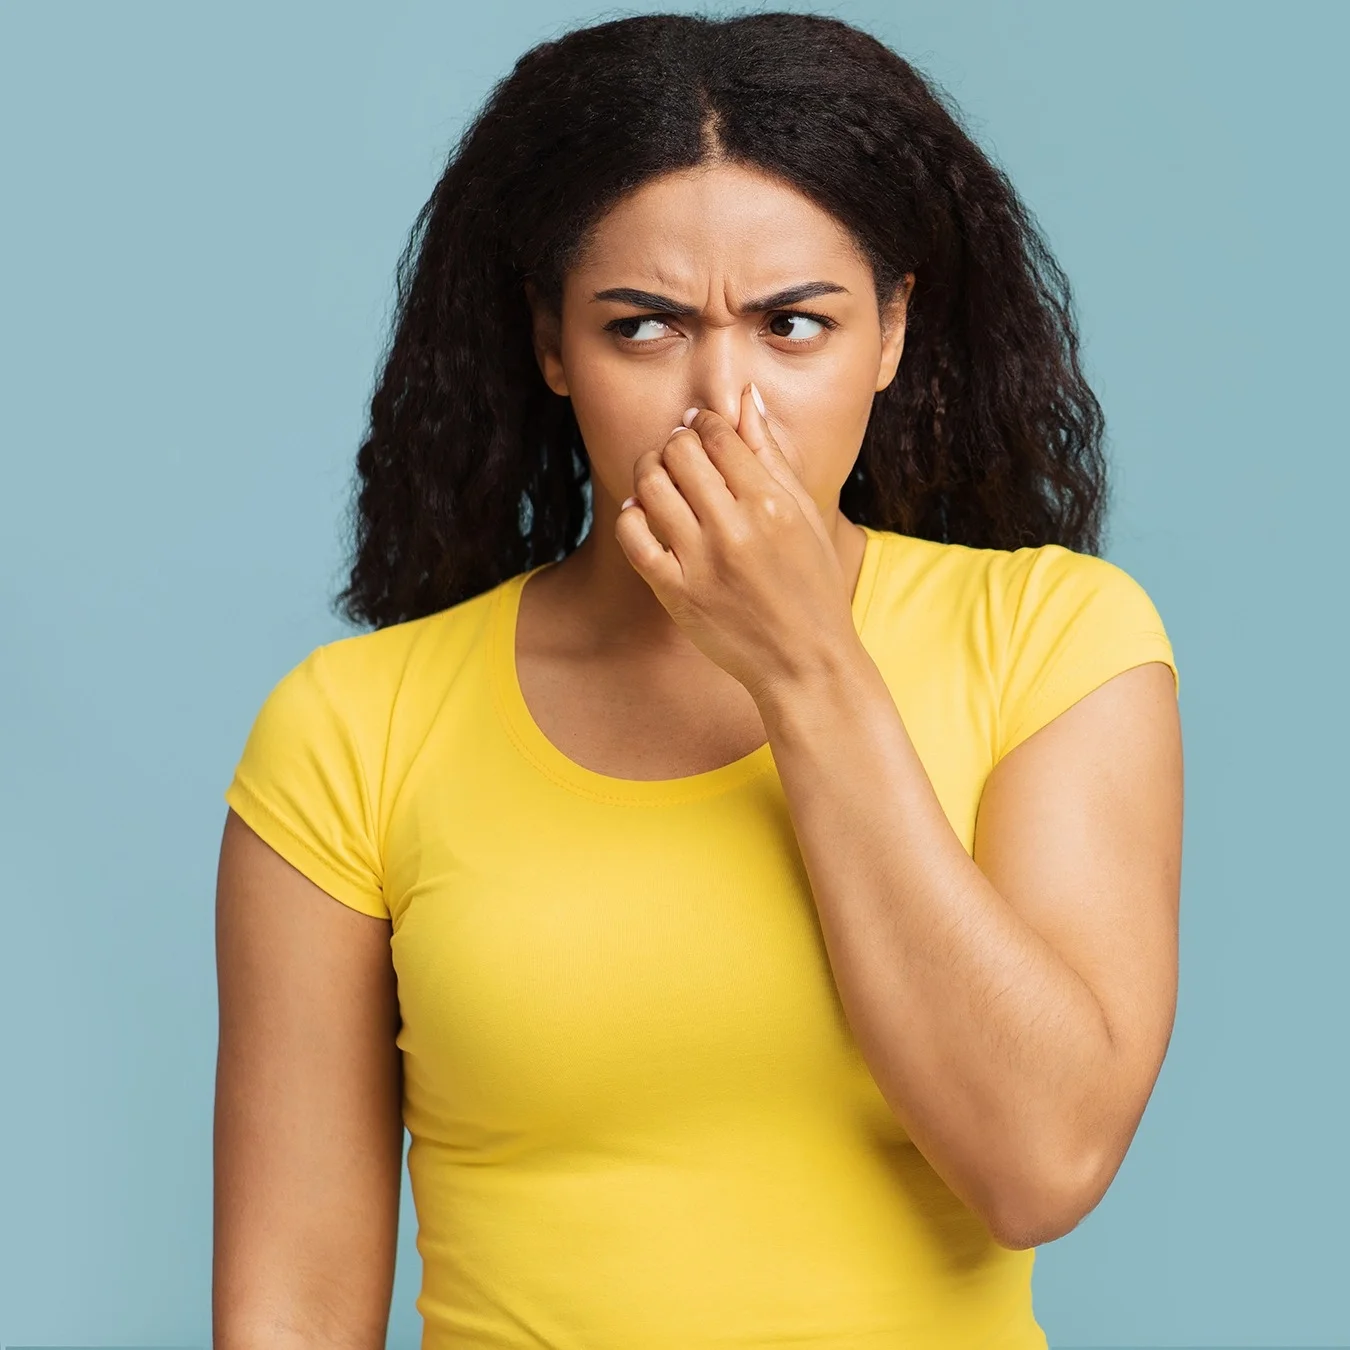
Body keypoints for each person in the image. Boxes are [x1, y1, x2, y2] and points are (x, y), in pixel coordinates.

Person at [210, 12, 1182, 1347]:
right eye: (645, 326)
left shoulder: (1056, 641)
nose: (725, 404)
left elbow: (1041, 1158)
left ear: (892, 332)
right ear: (554, 348)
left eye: (796, 325)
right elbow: (295, 1301)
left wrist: (808, 668)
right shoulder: (350, 728)